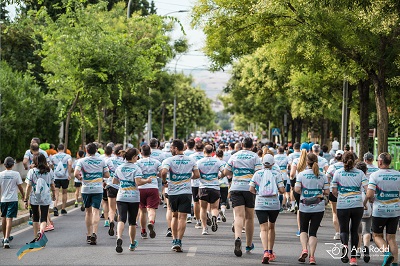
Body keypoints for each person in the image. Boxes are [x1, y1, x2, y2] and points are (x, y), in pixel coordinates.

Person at [224, 137, 262, 257]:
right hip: (249, 189)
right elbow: (259, 172)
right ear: (252, 146)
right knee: (249, 217)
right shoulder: (255, 156)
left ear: (241, 145)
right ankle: (249, 244)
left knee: (239, 216)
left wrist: (234, 173)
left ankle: (238, 237)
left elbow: (226, 171)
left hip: (236, 188)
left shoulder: (235, 155)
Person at [160, 139, 200, 252]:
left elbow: (163, 172)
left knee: (174, 216)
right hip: (186, 192)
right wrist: (188, 177)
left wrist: (164, 182)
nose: (171, 150)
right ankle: (179, 241)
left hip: (173, 192)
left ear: (176, 148)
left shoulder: (168, 160)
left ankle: (174, 240)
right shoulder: (191, 160)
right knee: (183, 218)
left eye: (172, 148)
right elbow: (197, 175)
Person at [113, 148, 152, 253]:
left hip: (121, 196)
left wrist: (123, 182)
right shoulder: (136, 168)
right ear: (134, 157)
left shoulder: (119, 167)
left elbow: (114, 181)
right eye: (137, 156)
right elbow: (138, 182)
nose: (138, 158)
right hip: (133, 197)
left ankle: (119, 238)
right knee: (132, 222)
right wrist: (147, 180)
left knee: (121, 219)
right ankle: (132, 243)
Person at [332, 152, 368, 265]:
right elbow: (367, 189)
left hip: (343, 204)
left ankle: (344, 248)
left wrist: (341, 196)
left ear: (343, 160)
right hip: (357, 204)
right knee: (354, 230)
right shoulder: (360, 173)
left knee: (343, 230)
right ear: (354, 161)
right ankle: (353, 258)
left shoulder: (337, 173)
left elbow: (333, 191)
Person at [294, 153, 329, 265]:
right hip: (319, 207)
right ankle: (312, 257)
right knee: (313, 232)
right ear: (317, 162)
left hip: (304, 206)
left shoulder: (301, 174)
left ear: (306, 162)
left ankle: (304, 249)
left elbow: (297, 189)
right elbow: (327, 192)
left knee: (303, 229)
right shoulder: (323, 175)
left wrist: (305, 193)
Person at [366, 152, 400, 266]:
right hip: (395, 210)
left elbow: (370, 194)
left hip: (380, 211)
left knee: (377, 236)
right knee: (391, 238)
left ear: (380, 162)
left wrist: (370, 199)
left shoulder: (375, 175)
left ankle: (386, 253)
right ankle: (395, 263)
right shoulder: (398, 174)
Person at [249, 154, 285, 264]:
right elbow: (282, 190)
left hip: (260, 203)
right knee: (271, 227)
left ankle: (265, 252)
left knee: (263, 229)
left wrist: (259, 193)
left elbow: (251, 189)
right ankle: (270, 251)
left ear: (262, 163)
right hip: (274, 204)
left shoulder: (257, 174)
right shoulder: (277, 174)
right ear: (273, 164)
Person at [74, 143, 110, 245]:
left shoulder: (81, 161)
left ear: (86, 150)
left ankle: (89, 234)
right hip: (98, 189)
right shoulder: (101, 161)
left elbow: (76, 173)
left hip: (86, 189)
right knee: (96, 211)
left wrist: (81, 179)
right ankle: (94, 232)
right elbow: (107, 174)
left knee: (88, 212)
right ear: (96, 151)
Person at [24, 153, 56, 243]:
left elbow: (28, 187)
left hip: (34, 197)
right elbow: (53, 185)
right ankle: (41, 232)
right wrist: (54, 194)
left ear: (34, 161)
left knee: (35, 217)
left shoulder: (32, 171)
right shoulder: (49, 171)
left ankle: (35, 237)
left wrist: (25, 199)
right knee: (43, 217)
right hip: (45, 197)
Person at [197, 144, 224, 235]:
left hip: (203, 187)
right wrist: (220, 176)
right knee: (214, 208)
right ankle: (214, 217)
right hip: (215, 187)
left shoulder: (199, 162)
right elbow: (224, 172)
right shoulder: (217, 161)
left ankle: (204, 228)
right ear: (213, 152)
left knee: (203, 209)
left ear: (204, 152)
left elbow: (196, 174)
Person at [137, 145, 162, 239]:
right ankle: (151, 222)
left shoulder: (137, 163)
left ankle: (143, 231)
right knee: (151, 209)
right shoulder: (156, 162)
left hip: (141, 187)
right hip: (153, 187)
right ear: (150, 152)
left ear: (141, 153)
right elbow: (161, 172)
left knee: (142, 211)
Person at [0, 157, 25, 248]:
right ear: (13, 164)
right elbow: (20, 187)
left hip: (3, 199)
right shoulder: (16, 174)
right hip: (13, 199)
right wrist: (23, 195)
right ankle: (7, 238)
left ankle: (4, 237)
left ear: (4, 165)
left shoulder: (1, 174)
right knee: (9, 218)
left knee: (3, 217)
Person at [355, 161, 372, 263]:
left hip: (356, 204)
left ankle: (357, 250)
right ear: (366, 171)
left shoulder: (354, 179)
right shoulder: (369, 179)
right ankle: (366, 248)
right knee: (366, 230)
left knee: (357, 230)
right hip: (367, 207)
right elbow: (370, 194)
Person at [326, 150, 344, 240]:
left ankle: (337, 232)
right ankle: (344, 232)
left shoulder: (332, 167)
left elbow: (327, 179)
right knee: (345, 214)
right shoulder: (348, 166)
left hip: (333, 191)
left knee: (335, 213)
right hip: (345, 192)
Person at [50, 143, 72, 216]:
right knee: (64, 192)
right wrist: (69, 174)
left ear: (57, 149)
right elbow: (69, 164)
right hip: (65, 177)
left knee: (56, 192)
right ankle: (63, 208)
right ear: (64, 149)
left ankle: (55, 206)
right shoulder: (68, 156)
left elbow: (50, 165)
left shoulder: (53, 156)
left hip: (56, 177)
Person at [188, 142, 205, 227]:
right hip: (205, 182)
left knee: (196, 202)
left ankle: (198, 221)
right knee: (205, 203)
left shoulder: (191, 157)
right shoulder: (206, 156)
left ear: (195, 148)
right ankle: (205, 216)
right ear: (203, 149)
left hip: (194, 182)